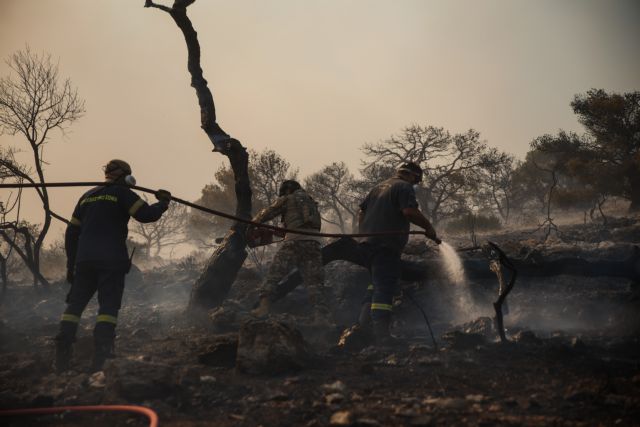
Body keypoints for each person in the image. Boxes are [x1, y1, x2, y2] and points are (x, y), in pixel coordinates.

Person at [55, 159, 172, 373]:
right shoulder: (123, 193)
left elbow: (71, 233)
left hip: (85, 261)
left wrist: (71, 266)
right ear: (127, 177)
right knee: (108, 308)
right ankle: (101, 357)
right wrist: (163, 203)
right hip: (111, 260)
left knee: (74, 307)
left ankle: (61, 357)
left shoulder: (86, 196)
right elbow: (147, 215)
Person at [357, 161, 440, 346]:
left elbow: (361, 212)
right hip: (385, 246)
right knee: (384, 287)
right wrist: (429, 227)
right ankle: (382, 336)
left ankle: (363, 326)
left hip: (366, 246)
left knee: (375, 283)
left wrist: (364, 232)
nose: (415, 184)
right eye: (416, 181)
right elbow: (409, 211)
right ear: (411, 175)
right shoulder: (404, 187)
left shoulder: (379, 187)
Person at [250, 180, 330, 322]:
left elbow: (267, 214)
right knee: (315, 282)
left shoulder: (288, 198)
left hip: (294, 244)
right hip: (314, 244)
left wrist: (250, 225)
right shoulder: (311, 202)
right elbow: (306, 225)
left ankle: (263, 308)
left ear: (287, 190)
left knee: (274, 275)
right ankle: (321, 316)